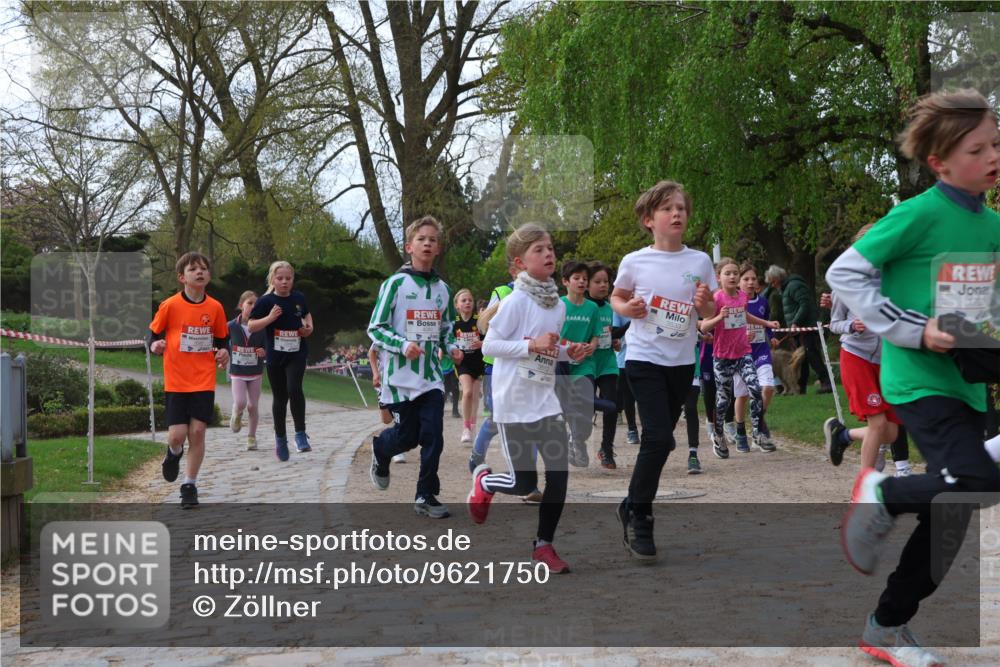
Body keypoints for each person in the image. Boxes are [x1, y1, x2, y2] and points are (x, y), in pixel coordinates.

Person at [827, 88, 1000, 667]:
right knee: (976, 480)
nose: (993, 157)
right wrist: (913, 328)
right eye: (977, 150)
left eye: (996, 144)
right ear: (939, 163)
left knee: (949, 519)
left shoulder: (993, 226)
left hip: (968, 384)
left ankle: (886, 625)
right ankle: (884, 492)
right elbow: (846, 272)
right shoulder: (918, 213)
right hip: (917, 380)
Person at [466, 223, 587, 573]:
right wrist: (531, 344)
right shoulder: (515, 301)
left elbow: (547, 350)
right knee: (524, 483)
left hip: (545, 401)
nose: (548, 254)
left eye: (550, 248)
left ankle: (544, 545)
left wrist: (567, 352)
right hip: (514, 402)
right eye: (539, 250)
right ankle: (485, 481)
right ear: (520, 262)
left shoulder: (558, 306)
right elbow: (489, 346)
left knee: (559, 476)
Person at [611, 180, 716, 561]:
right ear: (648, 219)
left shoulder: (700, 261)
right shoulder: (635, 261)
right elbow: (617, 297)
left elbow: (709, 312)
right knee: (657, 437)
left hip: (681, 363)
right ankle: (641, 516)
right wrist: (627, 309)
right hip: (643, 358)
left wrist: (705, 305)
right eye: (668, 209)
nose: (676, 214)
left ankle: (630, 503)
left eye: (681, 208)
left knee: (661, 440)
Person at [368, 215, 463, 519]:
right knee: (407, 437)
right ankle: (381, 449)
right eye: (421, 239)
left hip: (430, 377)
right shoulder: (395, 284)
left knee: (434, 434)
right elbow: (375, 328)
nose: (427, 243)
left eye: (433, 240)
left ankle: (426, 495)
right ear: (409, 246)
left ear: (438, 248)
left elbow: (446, 328)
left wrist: (452, 347)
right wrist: (402, 345)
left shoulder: (443, 289)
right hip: (398, 379)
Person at [823, 224, 912, 476]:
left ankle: (843, 435)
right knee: (878, 424)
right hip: (856, 355)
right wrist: (852, 326)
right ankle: (863, 488)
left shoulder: (895, 278)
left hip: (887, 360)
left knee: (891, 432)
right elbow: (835, 323)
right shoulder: (846, 282)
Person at [148, 252, 230, 509]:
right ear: (182, 277)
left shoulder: (215, 307)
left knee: (197, 432)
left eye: (204, 268)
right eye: (193, 269)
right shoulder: (170, 305)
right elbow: (152, 334)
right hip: (176, 379)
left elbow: (222, 339)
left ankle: (189, 485)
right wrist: (155, 345)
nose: (200, 272)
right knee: (177, 436)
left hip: (203, 378)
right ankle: (173, 453)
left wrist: (224, 351)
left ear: (209, 275)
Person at [699, 258, 780, 456]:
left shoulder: (742, 296)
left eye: (735, 273)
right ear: (718, 278)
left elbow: (745, 316)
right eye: (728, 273)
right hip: (723, 357)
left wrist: (766, 324)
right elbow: (704, 326)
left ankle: (758, 434)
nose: (732, 276)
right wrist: (720, 317)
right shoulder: (716, 299)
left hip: (744, 353)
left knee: (756, 389)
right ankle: (719, 436)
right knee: (723, 400)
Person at [248, 261, 315, 461]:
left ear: (293, 279)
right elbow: (251, 326)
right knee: (280, 397)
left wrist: (309, 328)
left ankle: (300, 434)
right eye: (280, 278)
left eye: (288, 278)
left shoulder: (298, 298)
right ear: (272, 280)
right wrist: (270, 318)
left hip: (297, 352)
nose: (284, 282)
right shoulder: (266, 301)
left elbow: (307, 315)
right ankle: (280, 439)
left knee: (294, 388)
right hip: (275, 356)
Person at [764, 264, 832, 394]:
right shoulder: (786, 288)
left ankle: (826, 382)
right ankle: (800, 387)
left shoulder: (794, 285)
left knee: (811, 354)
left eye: (772, 282)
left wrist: (796, 322)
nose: (772, 285)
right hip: (799, 328)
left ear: (778, 278)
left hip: (806, 327)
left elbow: (805, 304)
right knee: (802, 358)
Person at [557, 260, 600, 467]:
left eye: (585, 278)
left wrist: (592, 346)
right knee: (566, 407)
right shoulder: (558, 305)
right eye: (577, 278)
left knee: (586, 404)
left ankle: (578, 439)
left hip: (585, 364)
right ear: (565, 281)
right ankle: (573, 439)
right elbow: (551, 335)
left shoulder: (592, 307)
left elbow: (596, 334)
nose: (582, 282)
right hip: (561, 364)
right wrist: (568, 347)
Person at [732, 265, 778, 452]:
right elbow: (726, 329)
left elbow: (766, 322)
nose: (750, 283)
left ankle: (758, 424)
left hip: (761, 351)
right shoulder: (733, 302)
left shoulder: (763, 301)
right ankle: (741, 432)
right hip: (740, 354)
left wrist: (771, 336)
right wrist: (741, 336)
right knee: (742, 395)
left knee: (768, 387)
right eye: (746, 279)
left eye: (753, 279)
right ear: (739, 282)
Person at [587, 261, 622, 469]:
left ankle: (606, 449)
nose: (603, 285)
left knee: (611, 406)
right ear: (587, 284)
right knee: (585, 406)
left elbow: (609, 332)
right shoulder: (583, 307)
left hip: (607, 361)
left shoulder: (610, 308)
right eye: (597, 281)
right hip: (587, 361)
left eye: (606, 282)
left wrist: (615, 341)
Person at [228, 291, 266, 451]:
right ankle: (236, 413)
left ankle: (251, 437)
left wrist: (264, 352)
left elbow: (268, 346)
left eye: (256, 304)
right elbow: (220, 343)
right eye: (249, 303)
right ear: (241, 305)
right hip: (237, 372)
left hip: (255, 372)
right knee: (241, 402)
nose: (253, 306)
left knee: (253, 406)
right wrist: (221, 356)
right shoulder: (231, 326)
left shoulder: (262, 327)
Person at [453, 288, 485, 443]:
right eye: (464, 300)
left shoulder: (479, 321)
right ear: (457, 305)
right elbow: (448, 342)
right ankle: (466, 428)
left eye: (470, 300)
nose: (467, 303)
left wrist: (482, 343)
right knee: (467, 393)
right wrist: (452, 353)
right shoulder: (454, 323)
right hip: (463, 363)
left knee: (475, 397)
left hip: (478, 363)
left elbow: (490, 339)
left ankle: (473, 426)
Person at [368, 342, 406, 463]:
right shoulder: (384, 335)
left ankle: (397, 450)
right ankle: (381, 442)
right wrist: (375, 373)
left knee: (401, 414)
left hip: (403, 382)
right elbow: (372, 352)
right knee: (386, 419)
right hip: (384, 382)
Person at [612, 312, 639, 445]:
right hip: (624, 359)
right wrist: (632, 322)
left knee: (646, 398)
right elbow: (615, 334)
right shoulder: (619, 311)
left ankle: (651, 431)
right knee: (628, 397)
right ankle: (632, 429)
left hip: (646, 359)